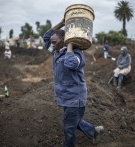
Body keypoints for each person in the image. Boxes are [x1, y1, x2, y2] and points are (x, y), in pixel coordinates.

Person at [43, 18, 104, 147]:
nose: (52, 44)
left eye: (55, 42)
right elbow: (46, 38)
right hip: (65, 96)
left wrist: (70, 45)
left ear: (64, 41)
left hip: (75, 97)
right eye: (52, 43)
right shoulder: (56, 51)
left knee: (69, 128)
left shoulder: (77, 54)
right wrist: (61, 23)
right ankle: (93, 131)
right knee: (72, 121)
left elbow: (71, 64)